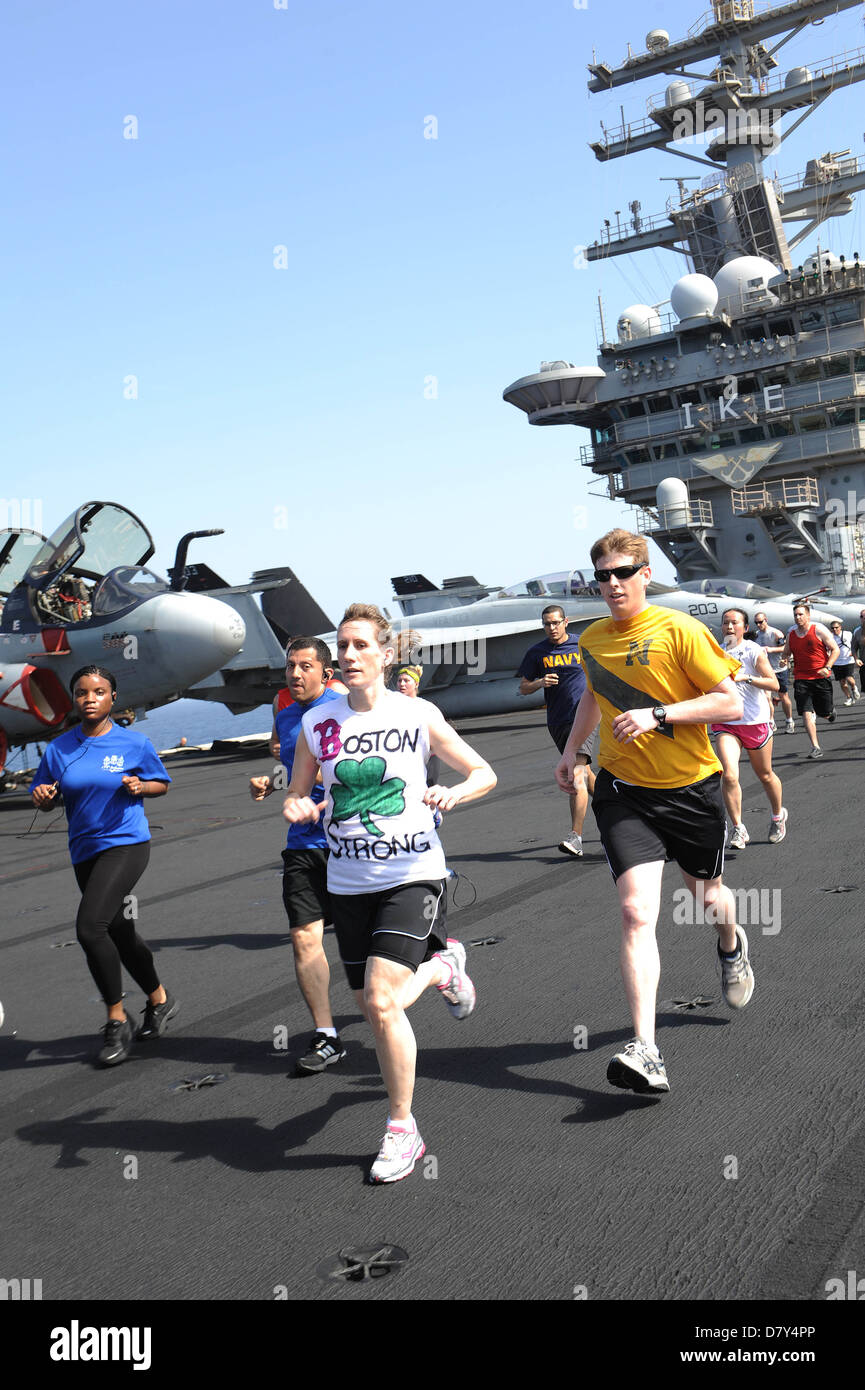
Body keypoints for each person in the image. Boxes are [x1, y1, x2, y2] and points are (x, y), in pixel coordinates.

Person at [283, 603, 496, 1183]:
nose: (349, 656)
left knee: (381, 1001)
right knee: (375, 1009)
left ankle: (402, 1128)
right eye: (342, 647)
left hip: (413, 873)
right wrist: (298, 804)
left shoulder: (417, 713)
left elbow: (484, 773)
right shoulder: (315, 724)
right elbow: (299, 791)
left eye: (359, 646)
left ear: (385, 653)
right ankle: (444, 968)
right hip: (347, 882)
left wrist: (454, 793)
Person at [554, 530, 753, 1096]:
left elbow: (729, 701)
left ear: (645, 574)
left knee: (706, 895)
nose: (612, 584)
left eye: (622, 572)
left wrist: (659, 714)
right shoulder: (591, 639)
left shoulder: (679, 629)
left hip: (690, 787)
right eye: (603, 576)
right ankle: (647, 1049)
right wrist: (573, 751)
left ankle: (732, 947)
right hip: (624, 791)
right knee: (637, 912)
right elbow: (595, 694)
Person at [30, 665, 175, 1066]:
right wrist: (42, 796)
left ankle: (116, 1018)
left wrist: (141, 786)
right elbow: (45, 795)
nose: (89, 698)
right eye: (81, 692)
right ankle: (160, 999)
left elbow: (160, 783)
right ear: (74, 699)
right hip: (84, 850)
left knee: (90, 927)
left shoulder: (134, 743)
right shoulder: (59, 749)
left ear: (113, 698)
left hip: (127, 844)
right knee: (119, 930)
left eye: (98, 691)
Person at [250, 638, 348, 1076]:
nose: (294, 673)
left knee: (366, 947)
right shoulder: (286, 717)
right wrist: (269, 782)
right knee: (304, 937)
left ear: (327, 673)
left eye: (305, 666)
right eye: (290, 666)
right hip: (303, 844)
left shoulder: (346, 709)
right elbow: (292, 769)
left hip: (353, 841)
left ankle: (438, 959)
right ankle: (326, 1035)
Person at [517, 604, 597, 857]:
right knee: (585, 773)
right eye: (547, 624)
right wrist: (540, 682)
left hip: (583, 718)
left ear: (566, 622)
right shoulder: (537, 652)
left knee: (576, 774)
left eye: (555, 622)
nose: (551, 628)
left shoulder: (581, 645)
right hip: (558, 721)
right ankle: (624, 812)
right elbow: (523, 688)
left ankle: (576, 837)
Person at [711, 609, 786, 848]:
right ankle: (738, 828)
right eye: (726, 623)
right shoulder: (715, 652)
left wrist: (746, 678)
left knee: (764, 774)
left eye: (735, 623)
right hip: (726, 721)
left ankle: (777, 816)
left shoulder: (753, 650)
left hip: (754, 721)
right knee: (729, 774)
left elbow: (773, 684)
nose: (730, 627)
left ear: (744, 627)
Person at [782, 602, 839, 758]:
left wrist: (827, 667)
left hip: (821, 676)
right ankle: (815, 746)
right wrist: (783, 660)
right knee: (806, 712)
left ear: (808, 615)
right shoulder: (791, 635)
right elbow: (786, 652)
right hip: (801, 678)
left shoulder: (818, 630)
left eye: (801, 614)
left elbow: (835, 649)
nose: (798, 617)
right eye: (795, 615)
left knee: (823, 711)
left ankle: (829, 714)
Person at [753, 611, 794, 733]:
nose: (759, 625)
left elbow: (785, 648)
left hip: (779, 668)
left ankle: (789, 720)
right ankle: (771, 721)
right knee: (766, 697)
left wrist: (770, 649)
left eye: (760, 622)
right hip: (766, 671)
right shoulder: (756, 635)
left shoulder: (776, 633)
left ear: (766, 620)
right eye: (756, 623)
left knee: (783, 696)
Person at [828, 620, 858, 705]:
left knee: (849, 679)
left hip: (848, 660)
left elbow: (855, 644)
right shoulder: (830, 637)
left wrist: (854, 652)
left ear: (840, 627)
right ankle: (849, 698)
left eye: (836, 628)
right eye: (833, 628)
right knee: (842, 682)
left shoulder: (848, 634)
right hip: (837, 662)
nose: (835, 630)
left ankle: (854, 688)